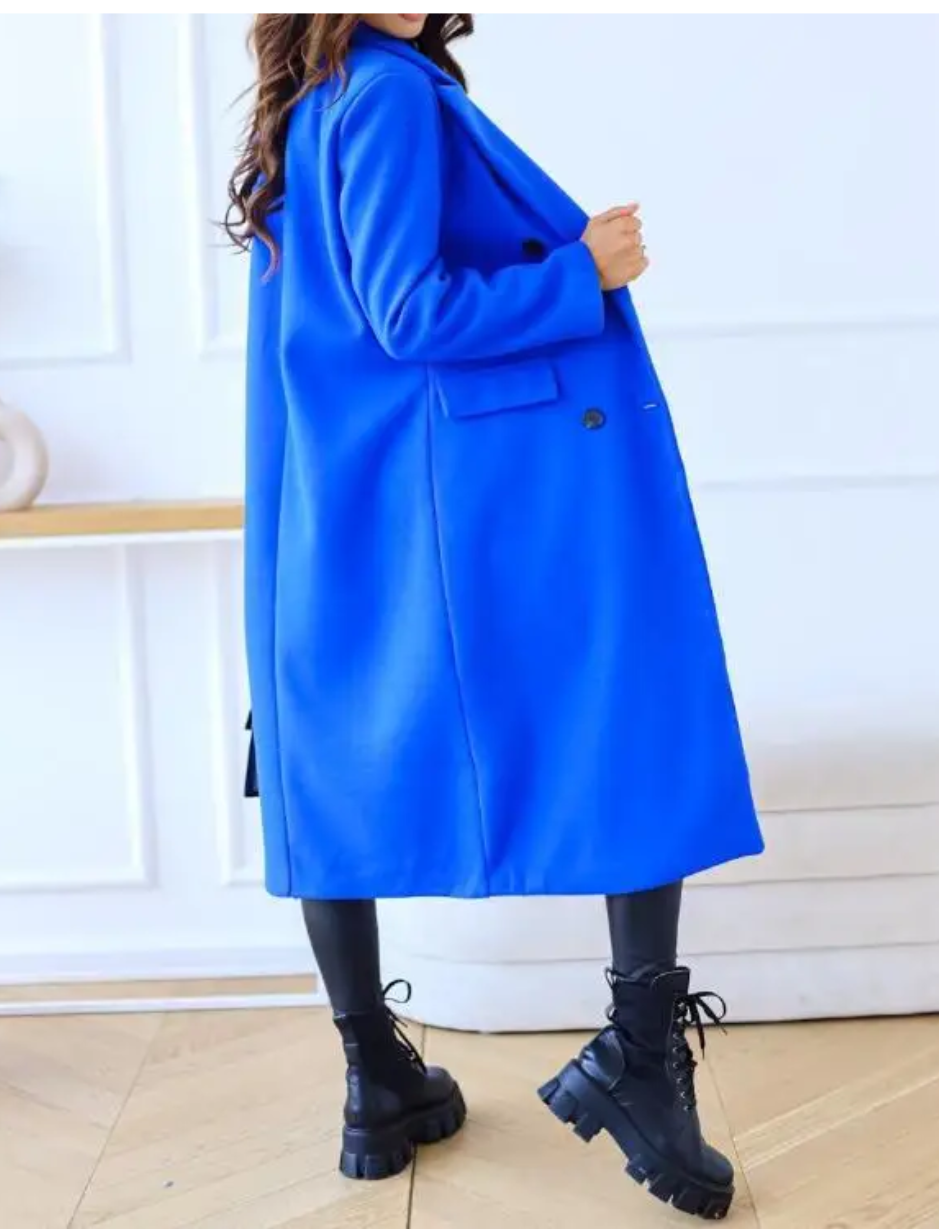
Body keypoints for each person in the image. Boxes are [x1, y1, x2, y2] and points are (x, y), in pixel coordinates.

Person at [227, 13, 764, 1221]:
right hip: (476, 485)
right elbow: (408, 314)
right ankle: (636, 1057)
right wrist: (583, 271)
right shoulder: (386, 97)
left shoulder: (318, 98)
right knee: (632, 712)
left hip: (357, 482)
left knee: (328, 747)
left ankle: (376, 1078)